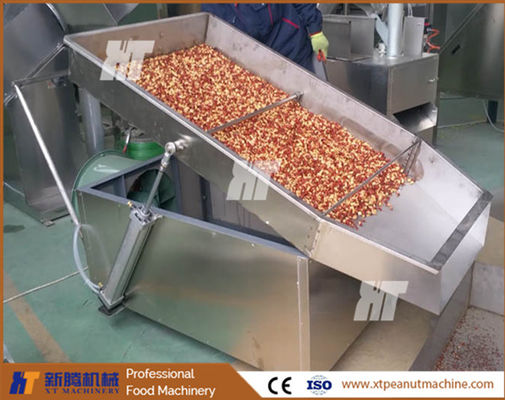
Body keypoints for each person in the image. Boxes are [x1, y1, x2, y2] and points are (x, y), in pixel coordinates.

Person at [202, 3, 329, 72]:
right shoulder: (212, 6)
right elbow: (219, 35)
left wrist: (315, 32)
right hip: (256, 68)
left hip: (293, 52)